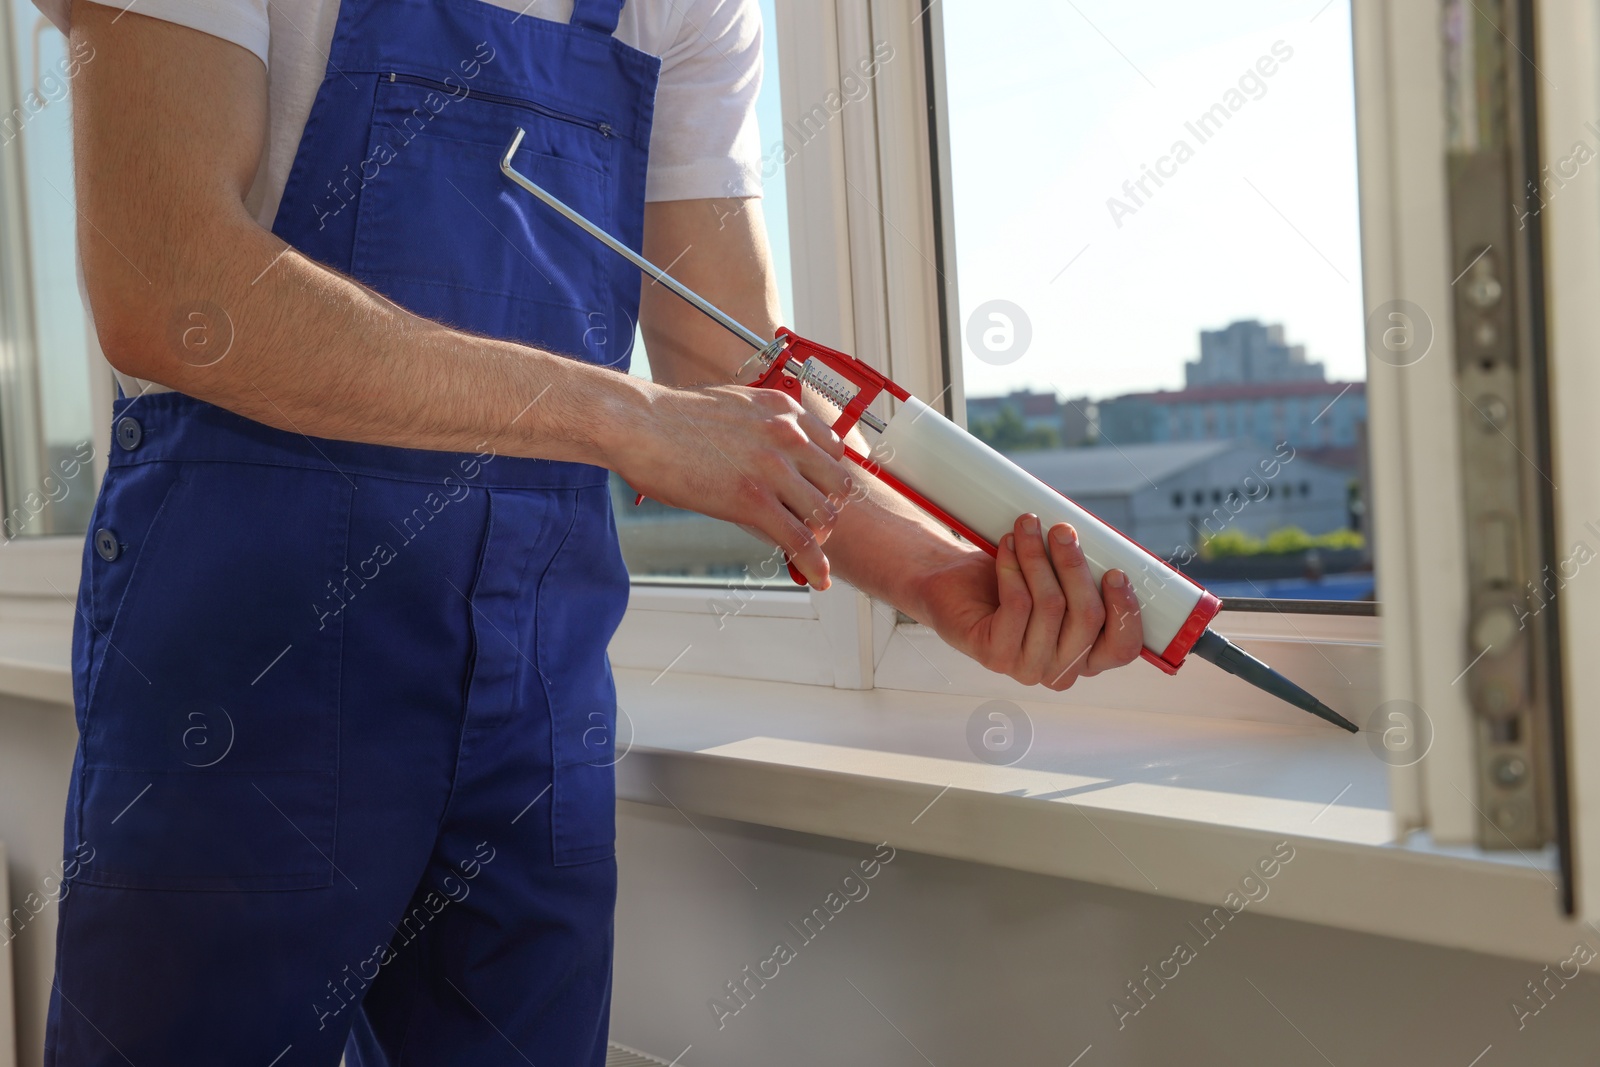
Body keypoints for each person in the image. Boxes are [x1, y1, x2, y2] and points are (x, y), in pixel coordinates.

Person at [36, 0, 1145, 1063]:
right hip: (250, 647)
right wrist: (620, 417)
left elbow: (721, 361)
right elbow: (169, 280)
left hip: (532, 675)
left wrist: (937, 575)